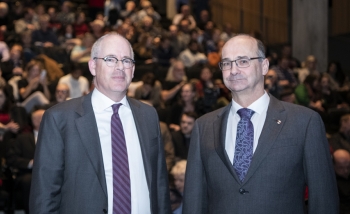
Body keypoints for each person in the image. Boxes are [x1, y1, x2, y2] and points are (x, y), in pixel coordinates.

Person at [182, 34, 338, 214]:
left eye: (242, 61)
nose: (233, 70)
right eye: (226, 63)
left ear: (264, 66)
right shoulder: (204, 126)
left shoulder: (305, 122)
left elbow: (324, 202)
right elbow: (194, 202)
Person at [29, 33, 171, 214]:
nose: (120, 67)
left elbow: (160, 187)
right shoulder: (59, 118)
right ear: (93, 66)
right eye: (110, 59)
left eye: (127, 60)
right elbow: (44, 196)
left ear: (133, 70)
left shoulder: (149, 115)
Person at [7, 108, 45, 214]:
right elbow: (11, 158)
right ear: (37, 121)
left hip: (50, 171)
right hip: (29, 173)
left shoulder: (56, 136)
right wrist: (30, 163)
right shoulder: (22, 138)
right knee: (29, 180)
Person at [333, 149, 350, 214]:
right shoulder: (331, 184)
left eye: (348, 167)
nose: (346, 171)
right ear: (333, 166)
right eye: (341, 167)